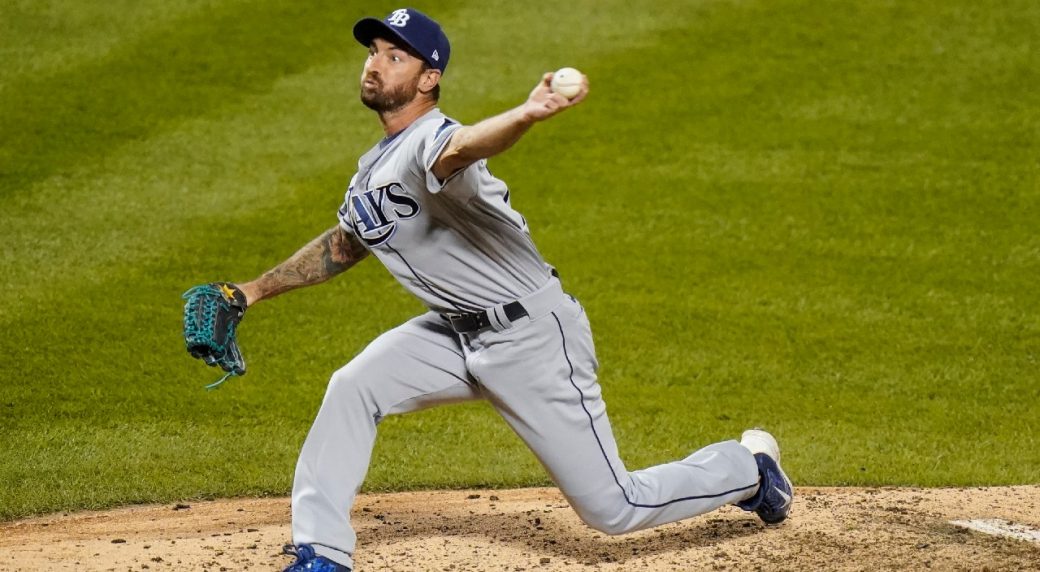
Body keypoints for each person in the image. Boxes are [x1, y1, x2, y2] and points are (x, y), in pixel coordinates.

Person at [212, 8, 793, 572]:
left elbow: (466, 145)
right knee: (353, 387)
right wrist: (250, 292)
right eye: (373, 53)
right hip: (452, 332)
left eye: (396, 57)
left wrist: (527, 113)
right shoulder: (372, 170)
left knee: (614, 508)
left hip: (532, 338)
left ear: (429, 79)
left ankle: (749, 468)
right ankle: (322, 553)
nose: (375, 65)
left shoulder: (429, 142)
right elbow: (344, 245)